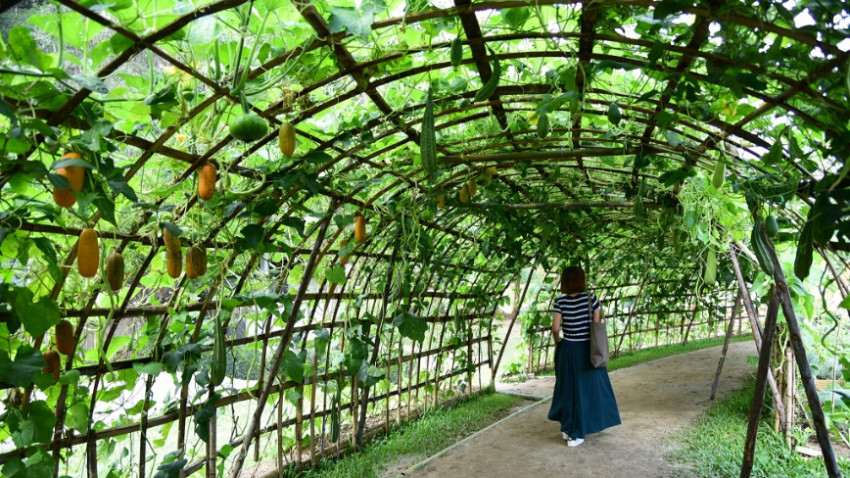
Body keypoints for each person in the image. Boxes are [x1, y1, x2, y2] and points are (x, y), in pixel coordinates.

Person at [547, 266, 621, 447]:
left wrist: (558, 343)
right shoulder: (591, 299)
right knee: (588, 390)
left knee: (567, 388)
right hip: (588, 350)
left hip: (568, 349)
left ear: (564, 282)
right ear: (581, 280)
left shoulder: (560, 302)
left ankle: (568, 428)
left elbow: (555, 329)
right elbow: (594, 326)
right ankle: (577, 433)